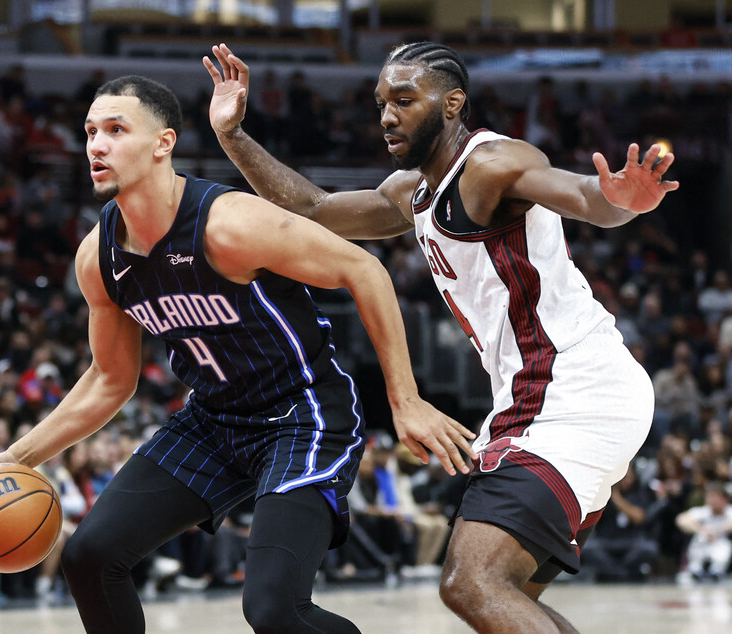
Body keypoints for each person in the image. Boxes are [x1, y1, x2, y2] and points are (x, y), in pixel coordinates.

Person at [0, 74, 476, 634]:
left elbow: (364, 268)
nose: (96, 145)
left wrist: (405, 400)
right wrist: (20, 456)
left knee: (274, 609)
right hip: (213, 421)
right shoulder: (98, 256)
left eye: (115, 129)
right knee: (91, 556)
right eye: (89, 132)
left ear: (163, 143)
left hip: (301, 415)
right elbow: (110, 379)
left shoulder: (229, 223)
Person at [204, 41, 677, 633]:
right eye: (381, 102)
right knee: (504, 597)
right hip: (543, 394)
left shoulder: (491, 164)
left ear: (453, 103)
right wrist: (233, 136)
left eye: (405, 99)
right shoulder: (412, 191)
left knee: (468, 584)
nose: (387, 115)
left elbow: (584, 195)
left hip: (572, 388)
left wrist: (619, 203)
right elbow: (317, 209)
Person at [676, 481, 732, 582]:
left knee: (724, 546)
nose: (712, 501)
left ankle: (717, 570)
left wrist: (717, 530)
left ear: (724, 499)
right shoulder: (703, 512)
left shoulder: (729, 511)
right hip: (703, 544)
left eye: (715, 498)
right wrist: (701, 530)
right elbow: (681, 519)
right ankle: (695, 569)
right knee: (699, 539)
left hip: (720, 545)